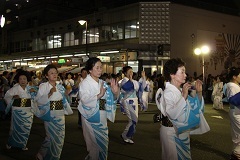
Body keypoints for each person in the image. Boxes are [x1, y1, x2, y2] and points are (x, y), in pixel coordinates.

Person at [156, 58, 210, 160]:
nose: (185, 75)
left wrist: (199, 92)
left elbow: (194, 107)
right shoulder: (168, 92)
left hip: (182, 131)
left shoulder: (179, 90)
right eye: (182, 72)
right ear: (172, 74)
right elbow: (172, 113)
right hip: (170, 132)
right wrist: (184, 96)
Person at [78, 57, 119, 160]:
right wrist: (99, 96)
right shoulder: (84, 83)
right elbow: (84, 100)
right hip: (91, 117)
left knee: (100, 145)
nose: (100, 70)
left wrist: (115, 93)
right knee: (98, 146)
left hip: (102, 116)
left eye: (101, 67)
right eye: (97, 67)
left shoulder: (102, 83)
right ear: (90, 70)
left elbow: (111, 99)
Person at [35, 64, 73, 160]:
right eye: (51, 73)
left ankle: (49, 155)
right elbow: (38, 101)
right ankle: (46, 155)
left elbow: (64, 100)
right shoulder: (43, 86)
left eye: (55, 72)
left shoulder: (60, 86)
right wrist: (50, 93)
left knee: (60, 136)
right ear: (46, 76)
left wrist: (67, 94)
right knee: (50, 136)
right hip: (49, 113)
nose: (54, 74)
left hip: (60, 114)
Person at [4, 70, 38, 150]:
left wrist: (34, 92)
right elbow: (7, 96)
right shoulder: (14, 89)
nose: (23, 81)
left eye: (24, 79)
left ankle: (23, 144)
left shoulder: (30, 88)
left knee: (26, 128)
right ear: (18, 80)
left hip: (28, 111)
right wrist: (13, 97)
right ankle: (10, 143)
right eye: (20, 79)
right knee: (15, 128)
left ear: (27, 80)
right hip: (17, 111)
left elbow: (36, 98)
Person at [119, 66, 141, 144]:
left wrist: (143, 78)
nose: (131, 73)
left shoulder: (133, 81)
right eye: (130, 72)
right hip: (128, 101)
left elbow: (141, 87)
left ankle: (129, 135)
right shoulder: (123, 81)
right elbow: (126, 88)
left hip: (134, 100)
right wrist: (131, 81)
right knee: (132, 120)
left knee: (135, 120)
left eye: (132, 71)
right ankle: (125, 135)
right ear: (125, 73)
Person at [223, 67, 240, 160]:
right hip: (236, 112)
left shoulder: (234, 85)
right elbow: (233, 100)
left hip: (236, 111)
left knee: (237, 134)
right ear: (234, 77)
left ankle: (235, 154)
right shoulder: (232, 86)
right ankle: (236, 153)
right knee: (237, 134)